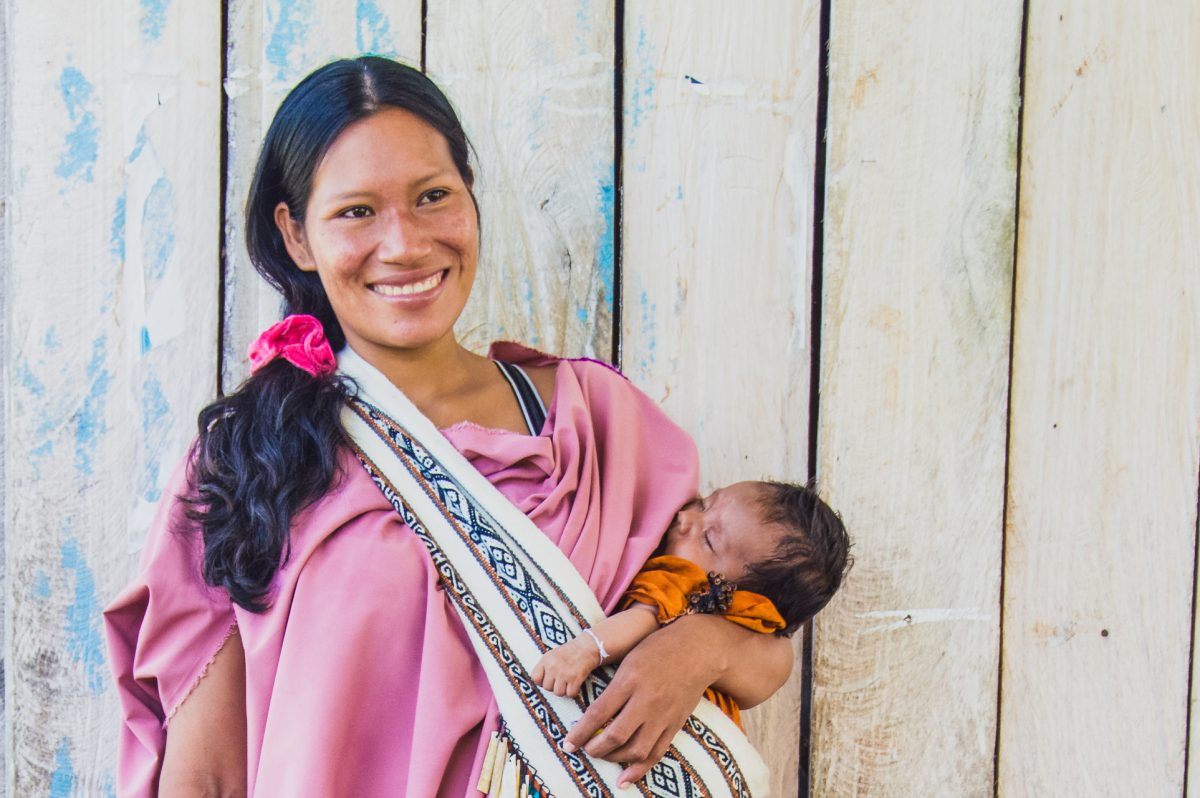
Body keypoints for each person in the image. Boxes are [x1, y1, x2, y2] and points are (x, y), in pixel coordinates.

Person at [103, 56, 792, 797]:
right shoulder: (252, 458)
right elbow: (202, 775)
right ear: (296, 235)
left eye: (433, 196)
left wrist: (698, 649)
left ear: (470, 198)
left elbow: (765, 648)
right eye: (356, 211)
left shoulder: (594, 423)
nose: (403, 244)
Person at [532, 480, 851, 728]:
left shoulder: (687, 583)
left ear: (739, 589)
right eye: (703, 503)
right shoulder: (751, 625)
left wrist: (584, 650)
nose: (686, 518)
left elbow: (644, 616)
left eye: (708, 539)